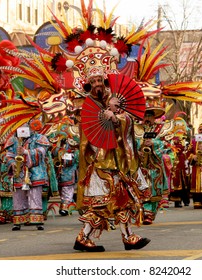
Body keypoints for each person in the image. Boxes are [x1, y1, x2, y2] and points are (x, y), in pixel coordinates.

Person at [74, 68, 150, 252]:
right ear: (88, 85)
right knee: (101, 204)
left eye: (100, 80)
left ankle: (128, 237)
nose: (97, 85)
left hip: (118, 163)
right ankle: (84, 237)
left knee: (121, 201)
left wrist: (116, 118)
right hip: (100, 165)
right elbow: (87, 140)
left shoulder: (115, 101)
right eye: (93, 82)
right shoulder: (89, 107)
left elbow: (128, 122)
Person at [4, 119, 57, 231]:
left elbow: (42, 151)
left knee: (35, 196)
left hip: (35, 172)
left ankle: (37, 220)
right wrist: (12, 163)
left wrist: (26, 152)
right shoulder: (13, 139)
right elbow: (8, 155)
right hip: (18, 172)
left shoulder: (40, 138)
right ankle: (18, 221)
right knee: (18, 197)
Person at [137, 107, 169, 224]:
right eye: (145, 116)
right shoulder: (137, 129)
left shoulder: (160, 129)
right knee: (140, 187)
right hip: (140, 164)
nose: (147, 118)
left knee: (154, 189)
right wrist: (140, 146)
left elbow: (163, 144)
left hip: (154, 165)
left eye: (150, 116)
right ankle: (141, 212)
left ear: (154, 117)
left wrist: (153, 143)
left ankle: (149, 214)